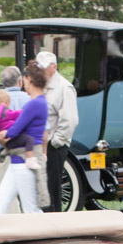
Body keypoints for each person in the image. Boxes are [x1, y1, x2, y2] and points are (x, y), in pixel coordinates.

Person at [0, 64, 49, 215]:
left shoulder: (34, 104)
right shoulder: (41, 102)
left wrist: (3, 134)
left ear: (28, 80)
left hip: (23, 163)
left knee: (30, 210)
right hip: (19, 161)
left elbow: (16, 130)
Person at [36, 51, 78, 211]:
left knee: (52, 191)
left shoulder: (64, 87)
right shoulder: (42, 85)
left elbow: (70, 119)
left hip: (54, 146)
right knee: (43, 190)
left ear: (54, 67)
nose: (41, 71)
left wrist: (55, 142)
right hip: (43, 145)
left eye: (45, 68)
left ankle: (55, 225)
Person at [0, 89, 39, 169]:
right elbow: (15, 115)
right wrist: (26, 112)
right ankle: (30, 159)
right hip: (13, 137)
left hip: (5, 142)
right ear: (6, 102)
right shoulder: (4, 111)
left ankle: (5, 154)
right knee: (29, 139)